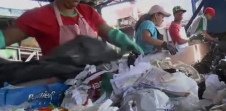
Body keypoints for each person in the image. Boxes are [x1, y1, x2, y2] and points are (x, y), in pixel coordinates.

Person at [0, 0, 143, 56]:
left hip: (92, 80)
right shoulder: (39, 15)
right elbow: (5, 37)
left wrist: (125, 41)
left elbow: (109, 32)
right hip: (59, 84)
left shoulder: (88, 12)